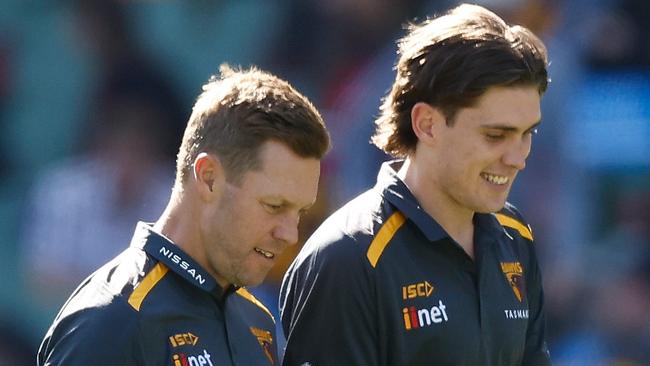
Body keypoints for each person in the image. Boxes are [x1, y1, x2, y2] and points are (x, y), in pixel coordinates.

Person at [280, 3, 551, 365]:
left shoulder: (516, 238)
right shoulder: (345, 258)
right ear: (427, 124)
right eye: (496, 135)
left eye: (526, 134)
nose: (517, 157)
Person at [37, 65, 330, 366]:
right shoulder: (113, 319)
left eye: (300, 212)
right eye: (274, 205)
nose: (290, 234)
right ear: (209, 178)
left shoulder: (259, 322)